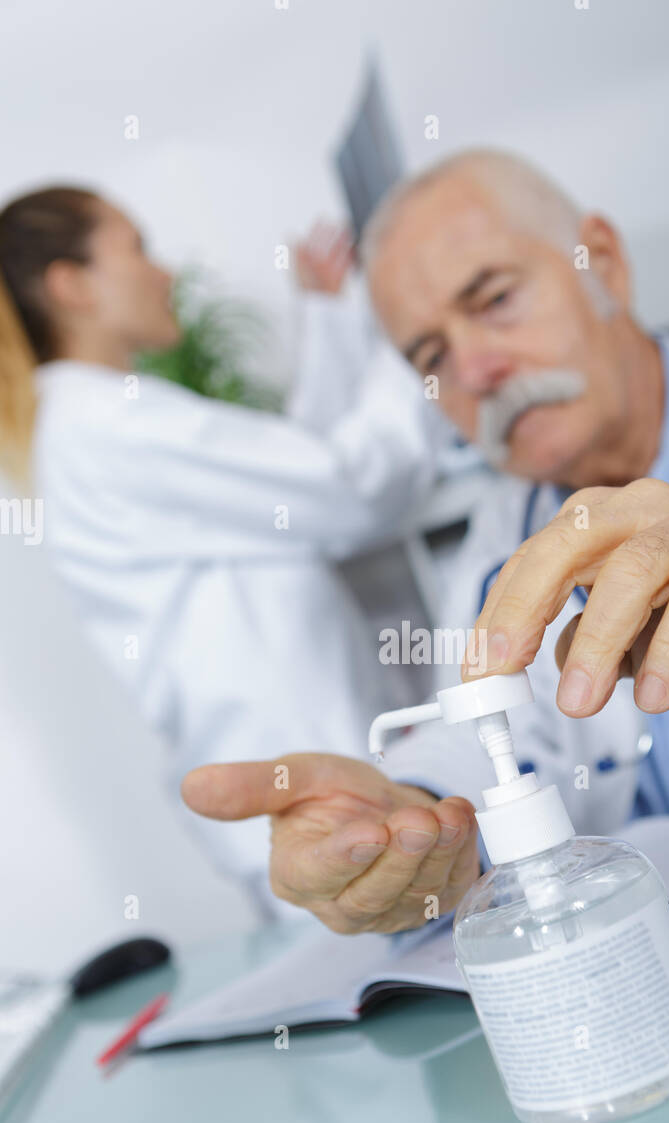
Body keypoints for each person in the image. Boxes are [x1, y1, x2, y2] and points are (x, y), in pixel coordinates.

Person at [182, 148, 669, 937]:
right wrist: (406, 816)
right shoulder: (493, 553)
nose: (474, 369)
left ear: (601, 264)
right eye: (431, 356)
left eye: (496, 298)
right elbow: (473, 747)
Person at [0, 185, 445, 917]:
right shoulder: (107, 423)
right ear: (70, 285)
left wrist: (333, 320)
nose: (164, 272)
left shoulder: (95, 417)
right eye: (136, 248)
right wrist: (423, 346)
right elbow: (346, 490)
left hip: (307, 795)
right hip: (314, 805)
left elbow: (292, 479)